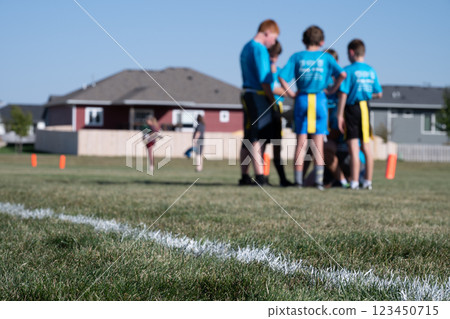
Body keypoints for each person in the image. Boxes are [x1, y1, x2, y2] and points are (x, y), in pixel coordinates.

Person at [279, 25, 346, 190]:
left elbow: (281, 76)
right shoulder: (326, 57)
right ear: (322, 41)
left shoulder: (297, 57)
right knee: (318, 144)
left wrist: (291, 93)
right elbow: (342, 74)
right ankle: (318, 181)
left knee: (301, 143)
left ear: (304, 40)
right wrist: (332, 89)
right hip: (320, 100)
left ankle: (298, 182)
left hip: (302, 99)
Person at [337, 39, 383, 190]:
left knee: (353, 147)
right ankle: (368, 181)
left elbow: (343, 94)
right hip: (365, 108)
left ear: (351, 52)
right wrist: (367, 94)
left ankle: (355, 181)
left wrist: (339, 115)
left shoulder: (349, 70)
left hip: (351, 109)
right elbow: (379, 93)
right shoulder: (371, 70)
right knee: (366, 146)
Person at [239, 19, 280, 186]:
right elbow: (265, 80)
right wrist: (272, 100)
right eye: (274, 37)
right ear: (267, 32)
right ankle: (260, 176)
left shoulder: (246, 47)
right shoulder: (260, 49)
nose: (274, 42)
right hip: (258, 96)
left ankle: (244, 176)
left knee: (248, 136)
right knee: (258, 136)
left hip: (247, 94)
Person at [262, 40, 294, 186]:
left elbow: (284, 90)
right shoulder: (263, 68)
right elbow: (272, 88)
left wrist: (282, 90)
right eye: (271, 55)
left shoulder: (279, 71)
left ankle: (282, 178)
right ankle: (262, 177)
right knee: (261, 144)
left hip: (277, 110)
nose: (273, 59)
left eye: (276, 56)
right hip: (264, 109)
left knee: (277, 145)